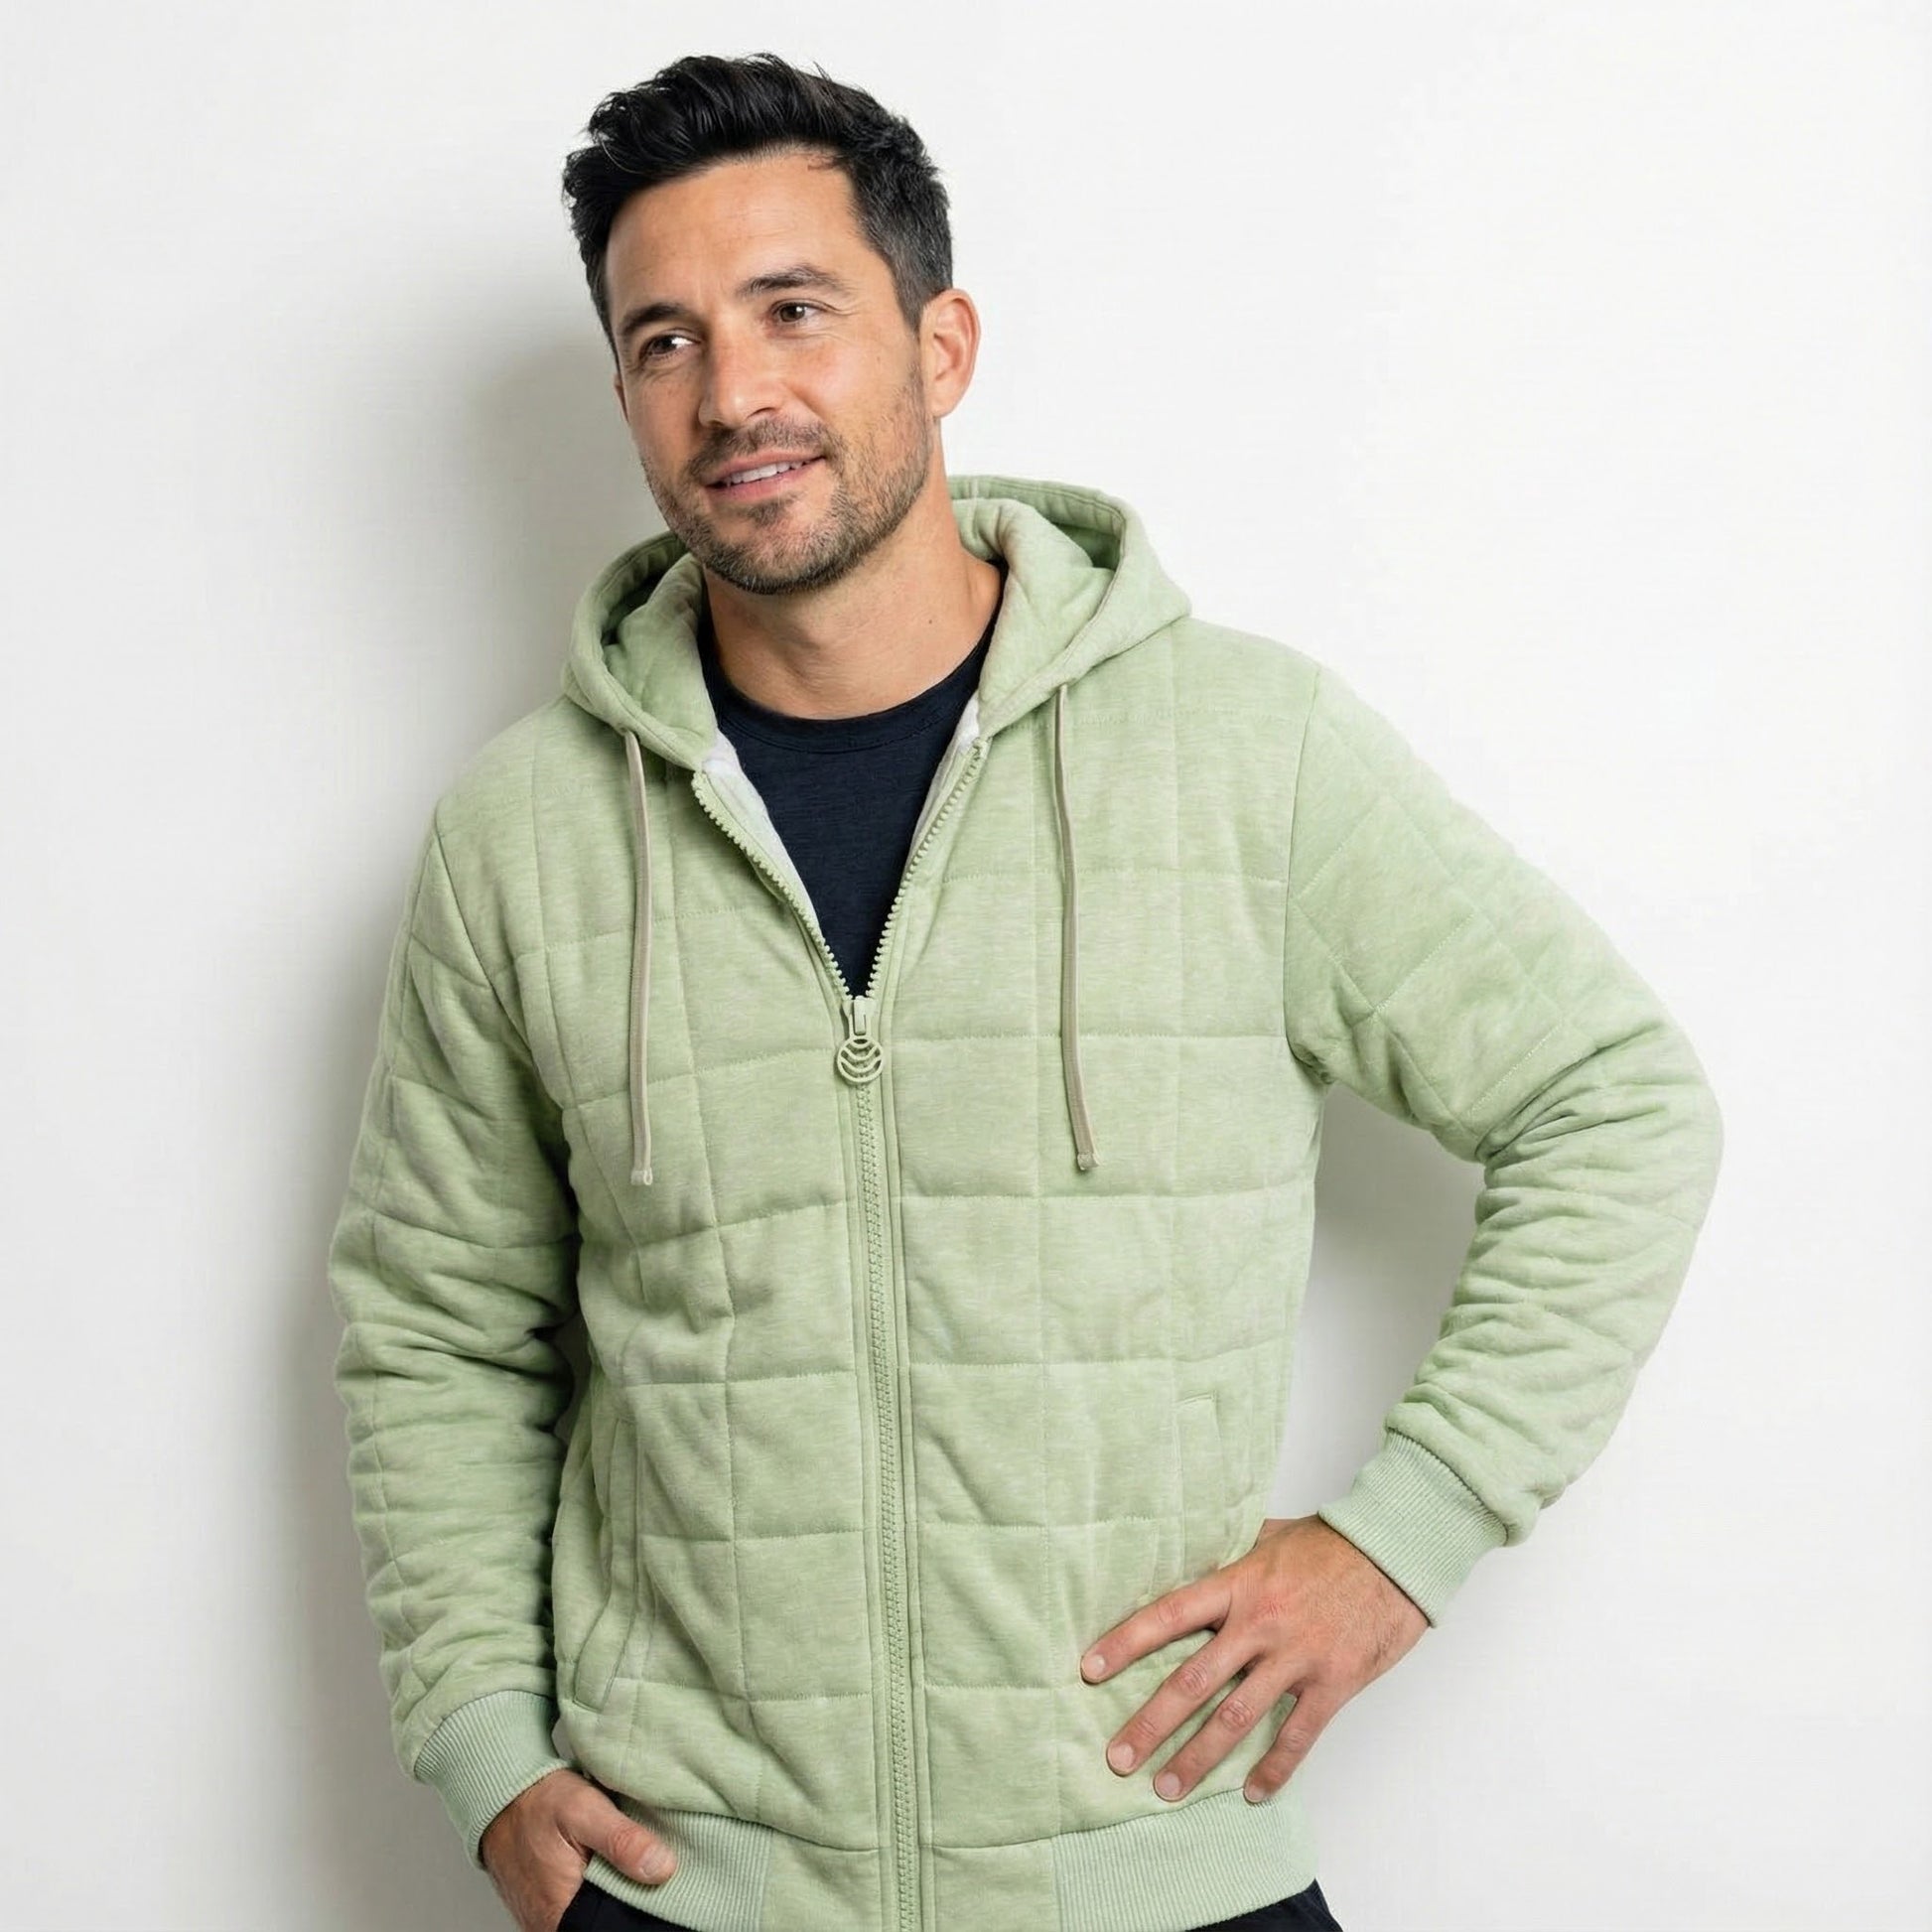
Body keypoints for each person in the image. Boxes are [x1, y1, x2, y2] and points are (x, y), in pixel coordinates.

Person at [326, 50, 1724, 1932]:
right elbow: (436, 1323)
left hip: (1153, 1870)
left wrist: (1401, 1538)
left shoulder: (1244, 752)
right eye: (663, 341)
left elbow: (1614, 1096)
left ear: (941, 344)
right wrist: (485, 1746)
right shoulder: (523, 835)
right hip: (690, 1883)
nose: (731, 392)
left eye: (793, 310)